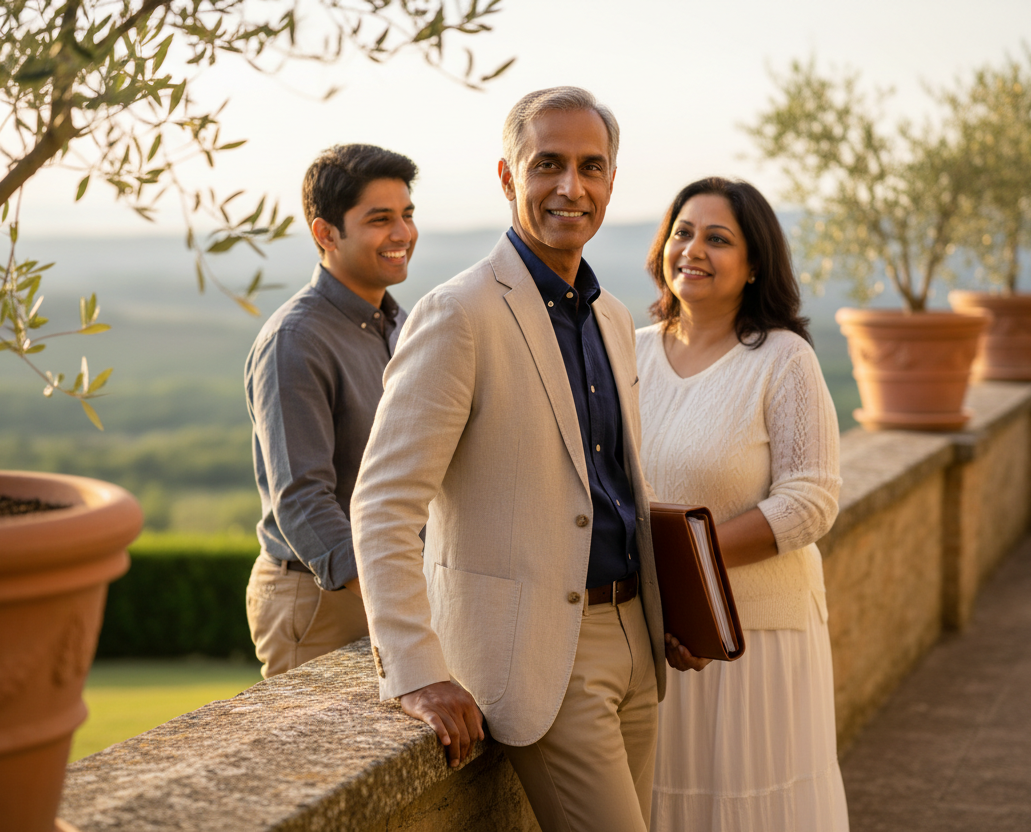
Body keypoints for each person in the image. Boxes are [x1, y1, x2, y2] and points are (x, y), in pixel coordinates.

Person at [350, 87, 697, 832]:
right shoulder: (459, 313)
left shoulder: (609, 314)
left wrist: (666, 604)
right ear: (508, 178)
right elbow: (383, 503)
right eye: (548, 164)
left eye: (591, 167)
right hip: (544, 659)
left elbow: (611, 489)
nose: (572, 187)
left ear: (610, 181)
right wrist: (416, 671)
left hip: (640, 640)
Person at [638, 177, 849, 830]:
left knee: (750, 808)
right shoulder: (628, 351)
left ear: (754, 264)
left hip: (753, 639)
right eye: (683, 231)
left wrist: (686, 567)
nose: (693, 250)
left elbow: (811, 501)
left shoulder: (783, 360)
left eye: (718, 239)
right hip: (656, 634)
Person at [243, 143, 418, 679]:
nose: (403, 233)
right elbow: (301, 499)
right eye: (380, 219)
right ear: (325, 234)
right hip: (322, 597)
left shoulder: (401, 324)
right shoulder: (296, 340)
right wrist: (393, 599)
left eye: (407, 215)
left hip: (393, 585)